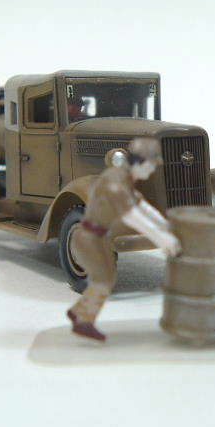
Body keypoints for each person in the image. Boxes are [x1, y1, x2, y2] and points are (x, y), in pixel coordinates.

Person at [67, 138, 181, 341]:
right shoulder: (116, 184)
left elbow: (142, 206)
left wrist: (165, 225)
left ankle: (78, 312)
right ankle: (83, 322)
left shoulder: (124, 177)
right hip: (89, 238)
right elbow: (132, 217)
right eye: (151, 166)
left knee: (106, 277)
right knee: (104, 280)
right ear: (141, 162)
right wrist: (162, 238)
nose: (151, 172)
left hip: (99, 236)